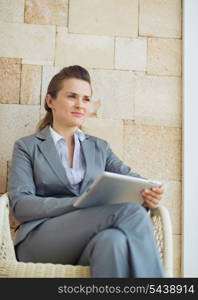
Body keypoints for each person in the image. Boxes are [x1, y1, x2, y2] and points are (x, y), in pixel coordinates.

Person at [8, 65, 164, 278]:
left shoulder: (100, 147)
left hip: (88, 239)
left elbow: (135, 181)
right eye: (72, 96)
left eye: (86, 99)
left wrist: (149, 194)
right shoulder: (27, 146)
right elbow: (21, 206)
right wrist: (79, 203)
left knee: (113, 242)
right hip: (40, 239)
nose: (80, 105)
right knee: (131, 212)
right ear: (50, 101)